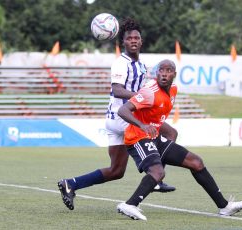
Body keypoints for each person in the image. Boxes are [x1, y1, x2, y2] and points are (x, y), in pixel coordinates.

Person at [57, 18, 176, 211]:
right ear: (123, 42)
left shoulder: (141, 65)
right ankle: (155, 179)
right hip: (124, 119)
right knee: (170, 133)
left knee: (116, 170)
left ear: (141, 41)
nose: (134, 41)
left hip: (115, 119)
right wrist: (143, 97)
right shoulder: (121, 63)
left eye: (137, 37)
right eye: (130, 38)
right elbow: (118, 90)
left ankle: (71, 183)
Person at [116, 59, 242, 220]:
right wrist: (143, 125)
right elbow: (123, 110)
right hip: (137, 138)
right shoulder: (148, 92)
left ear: (174, 74)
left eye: (168, 70)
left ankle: (224, 206)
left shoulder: (173, 89)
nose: (164, 73)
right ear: (156, 73)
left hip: (154, 138)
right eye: (161, 70)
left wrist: (154, 128)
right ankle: (130, 205)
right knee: (158, 172)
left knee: (196, 162)